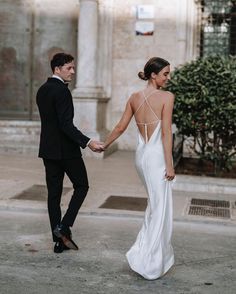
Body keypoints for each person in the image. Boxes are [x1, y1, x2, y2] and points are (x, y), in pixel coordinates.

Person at [103, 57, 175, 280]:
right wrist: (170, 164)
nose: (168, 78)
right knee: (160, 207)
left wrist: (104, 144)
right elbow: (165, 133)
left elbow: (120, 127)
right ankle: (147, 260)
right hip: (156, 158)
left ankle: (149, 254)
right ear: (153, 75)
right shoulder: (167, 97)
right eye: (165, 74)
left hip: (141, 155)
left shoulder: (135, 97)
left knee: (155, 205)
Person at [36, 53, 103, 253]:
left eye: (73, 68)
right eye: (69, 68)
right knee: (82, 186)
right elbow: (65, 125)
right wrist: (88, 142)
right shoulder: (62, 92)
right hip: (66, 151)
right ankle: (64, 227)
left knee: (53, 196)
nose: (73, 72)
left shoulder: (42, 90)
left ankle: (59, 242)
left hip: (48, 150)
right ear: (57, 69)